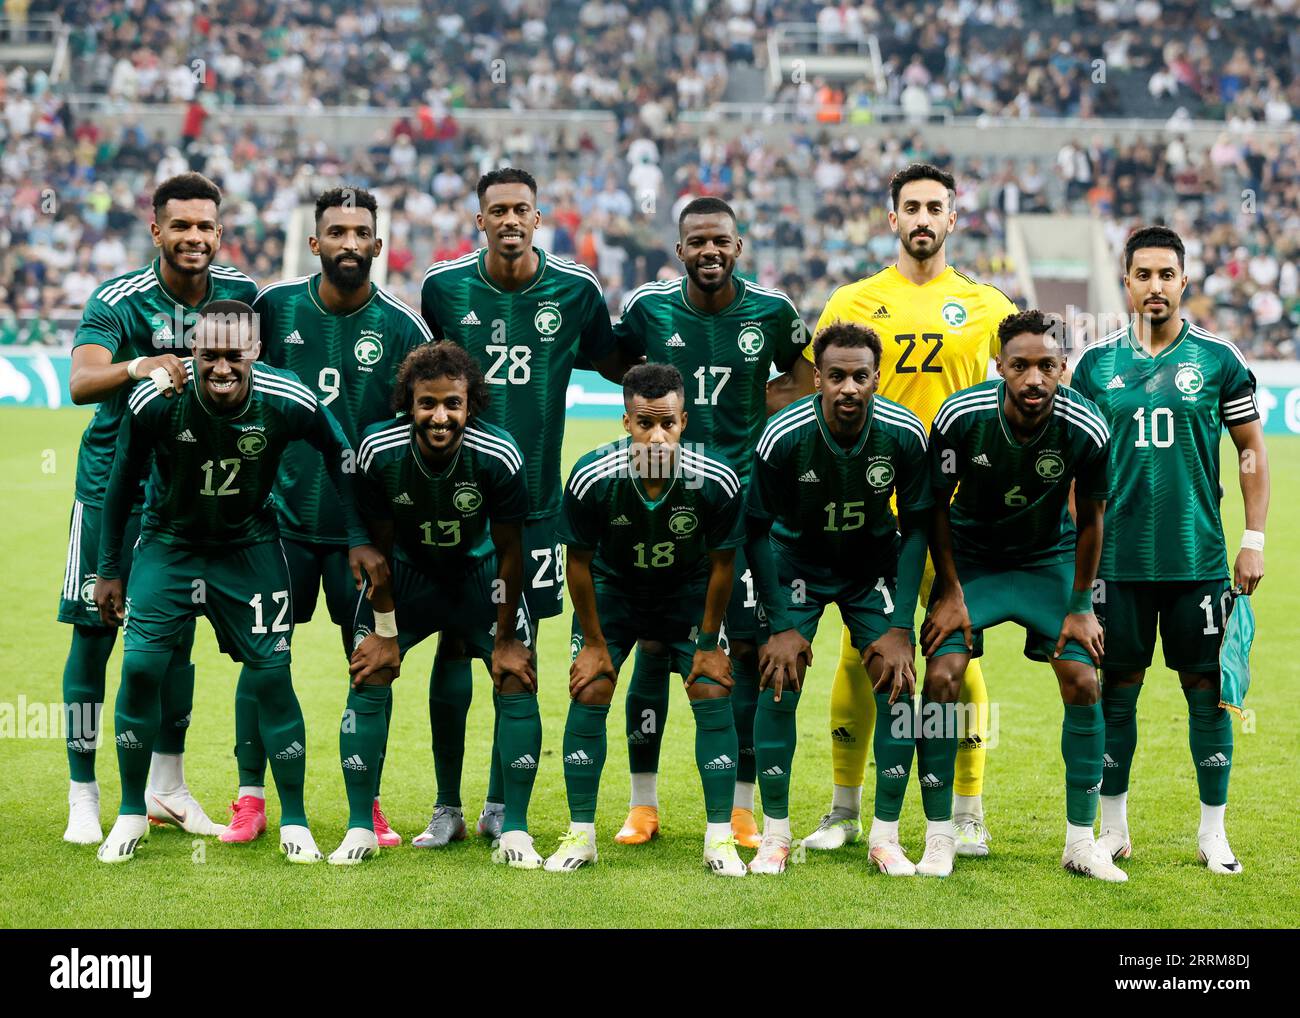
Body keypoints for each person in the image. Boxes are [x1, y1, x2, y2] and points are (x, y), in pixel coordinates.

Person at [771, 162, 1018, 858]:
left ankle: (967, 814)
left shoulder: (986, 304)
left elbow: (1029, 385)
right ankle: (845, 810)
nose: (921, 218)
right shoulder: (853, 300)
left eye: (934, 207)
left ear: (952, 218)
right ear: (890, 218)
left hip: (954, 513)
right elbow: (807, 389)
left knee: (955, 657)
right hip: (863, 510)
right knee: (860, 655)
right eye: (910, 206)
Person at [93, 302, 383, 864]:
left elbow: (339, 453)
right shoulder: (157, 397)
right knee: (140, 667)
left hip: (248, 551)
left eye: (234, 354)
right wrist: (109, 570)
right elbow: (121, 478)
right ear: (191, 352)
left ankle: (294, 819)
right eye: (209, 355)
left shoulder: (288, 397)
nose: (222, 367)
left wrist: (355, 535)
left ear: (255, 352)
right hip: (169, 547)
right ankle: (131, 812)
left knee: (273, 676)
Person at [418, 167, 637, 846]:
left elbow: (618, 364)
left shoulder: (575, 292)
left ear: (538, 219)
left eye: (522, 210)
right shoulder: (443, 288)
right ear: (478, 220)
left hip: (538, 511)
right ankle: (446, 807)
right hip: (457, 509)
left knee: (519, 651)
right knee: (456, 646)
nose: (510, 220)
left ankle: (497, 806)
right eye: (497, 211)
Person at [229, 186, 432, 848]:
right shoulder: (276, 308)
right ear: (314, 243)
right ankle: (250, 796)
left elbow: (425, 431)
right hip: (279, 525)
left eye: (360, 232)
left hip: (363, 539)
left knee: (371, 662)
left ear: (378, 244)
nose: (349, 242)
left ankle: (366, 801)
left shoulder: (404, 329)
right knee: (263, 660)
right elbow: (234, 391)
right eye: (336, 231)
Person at [59, 172, 255, 845]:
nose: (194, 237)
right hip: (110, 490)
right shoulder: (119, 300)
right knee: (93, 635)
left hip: (186, 498)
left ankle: (167, 787)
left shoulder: (239, 297)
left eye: (206, 226)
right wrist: (140, 366)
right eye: (181, 226)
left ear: (219, 232)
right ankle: (83, 793)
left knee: (176, 641)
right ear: (157, 230)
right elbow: (82, 381)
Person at [605, 196, 806, 849]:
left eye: (721, 241)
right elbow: (621, 367)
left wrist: (754, 401)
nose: (710, 252)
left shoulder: (772, 311)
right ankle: (643, 805)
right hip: (662, 509)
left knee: (739, 654)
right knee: (655, 649)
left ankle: (741, 808)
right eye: (697, 242)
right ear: (680, 248)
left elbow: (803, 375)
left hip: (742, 511)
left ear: (738, 246)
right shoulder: (647, 308)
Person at [1070, 226, 1269, 874]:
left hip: (1198, 561)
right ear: (1125, 283)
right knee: (1116, 690)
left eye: (1166, 274)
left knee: (1207, 689)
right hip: (1117, 565)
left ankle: (1213, 833)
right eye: (1143, 274)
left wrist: (1253, 538)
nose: (1155, 286)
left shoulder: (1217, 359)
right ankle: (1115, 829)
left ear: (1184, 281)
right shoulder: (1095, 366)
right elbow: (1074, 468)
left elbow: (1249, 451)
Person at [919, 309, 1124, 881]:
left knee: (1084, 678)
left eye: (1047, 366)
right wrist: (950, 590)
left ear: (1063, 367)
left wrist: (1082, 607)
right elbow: (934, 506)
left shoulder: (1087, 426)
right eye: (1021, 366)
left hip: (1047, 560)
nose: (1035, 379)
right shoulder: (961, 417)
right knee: (940, 676)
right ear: (1000, 366)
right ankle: (939, 837)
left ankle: (1081, 842)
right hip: (972, 560)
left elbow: (1092, 519)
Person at [337, 342, 540, 866]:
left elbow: (513, 550)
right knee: (368, 671)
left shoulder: (499, 454)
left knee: (516, 676)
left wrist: (506, 639)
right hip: (409, 575)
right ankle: (362, 826)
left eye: (453, 403)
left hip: (480, 574)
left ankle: (513, 826)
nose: (440, 416)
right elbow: (379, 550)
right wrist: (384, 629)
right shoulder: (379, 451)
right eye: (427, 403)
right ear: (409, 402)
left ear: (471, 405)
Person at [545, 364, 748, 877]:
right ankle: (581, 835)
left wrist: (707, 641)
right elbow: (579, 563)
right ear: (626, 421)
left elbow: (723, 565)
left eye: (668, 424)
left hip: (685, 592)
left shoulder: (716, 478)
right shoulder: (593, 475)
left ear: (684, 421)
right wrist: (592, 642)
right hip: (615, 592)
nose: (656, 436)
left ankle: (719, 838)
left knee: (711, 687)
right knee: (589, 688)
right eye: (644, 424)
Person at [745, 322, 931, 875]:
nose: (848, 388)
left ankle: (886, 837)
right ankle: (774, 836)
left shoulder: (904, 433)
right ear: (818, 380)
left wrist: (900, 626)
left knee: (898, 686)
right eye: (836, 377)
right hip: (796, 561)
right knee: (778, 680)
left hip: (870, 564)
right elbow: (753, 529)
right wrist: (780, 623)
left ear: (877, 377)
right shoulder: (783, 434)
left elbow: (918, 527)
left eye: (860, 376)